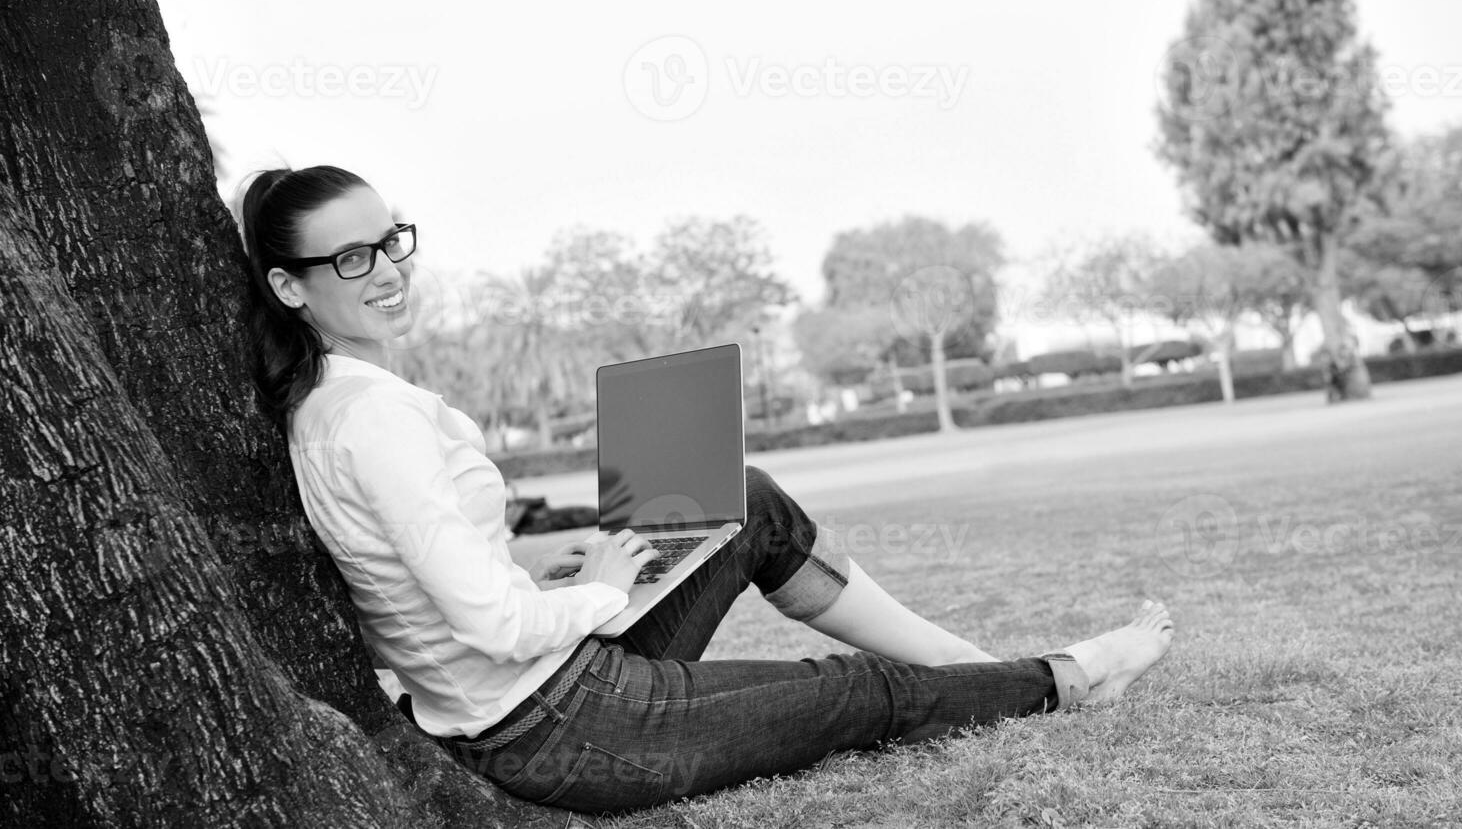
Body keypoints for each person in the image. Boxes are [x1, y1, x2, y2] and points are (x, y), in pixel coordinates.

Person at [233, 165, 1175, 816]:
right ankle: (1072, 677)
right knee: (855, 697)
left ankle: (970, 668)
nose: (388, 271)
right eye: (351, 260)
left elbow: (415, 569)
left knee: (742, 501)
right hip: (553, 725)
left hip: (549, 686)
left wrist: (540, 568)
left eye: (391, 240)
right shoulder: (376, 417)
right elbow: (487, 628)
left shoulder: (332, 407)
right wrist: (599, 589)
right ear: (288, 286)